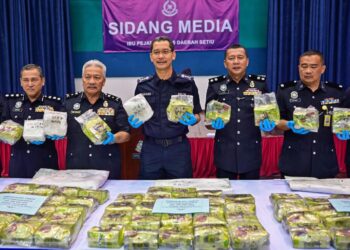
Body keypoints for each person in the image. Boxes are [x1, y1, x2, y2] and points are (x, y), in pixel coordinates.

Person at [128, 36, 201, 179]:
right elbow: (138, 114)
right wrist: (134, 120)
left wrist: (193, 119)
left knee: (181, 193)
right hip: (150, 149)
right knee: (148, 193)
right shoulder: (142, 85)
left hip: (178, 149)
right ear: (151, 57)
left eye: (165, 51)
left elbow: (198, 114)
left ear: (173, 55)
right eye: (156, 52)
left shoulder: (187, 83)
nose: (161, 56)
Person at [276, 50, 344, 178]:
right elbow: (276, 122)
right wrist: (290, 125)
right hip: (293, 163)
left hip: (325, 163)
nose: (308, 71)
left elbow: (344, 121)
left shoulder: (336, 93)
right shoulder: (286, 91)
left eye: (313, 67)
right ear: (298, 68)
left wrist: (344, 130)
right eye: (304, 66)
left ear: (322, 69)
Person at [205, 44, 269, 180]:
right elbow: (208, 122)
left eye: (240, 57)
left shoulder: (260, 85)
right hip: (225, 154)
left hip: (251, 152)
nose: (236, 61)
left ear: (247, 61)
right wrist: (212, 124)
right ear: (225, 63)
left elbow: (269, 115)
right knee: (225, 197)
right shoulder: (215, 86)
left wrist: (269, 123)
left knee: (253, 194)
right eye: (231, 58)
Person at [65, 59, 130, 179]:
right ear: (82, 79)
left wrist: (113, 138)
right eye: (87, 77)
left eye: (97, 77)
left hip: (107, 165)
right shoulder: (68, 103)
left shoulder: (114, 103)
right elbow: (60, 129)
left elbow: (126, 134)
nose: (91, 81)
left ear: (103, 81)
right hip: (77, 166)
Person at [1, 64, 63, 177]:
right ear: (21, 82)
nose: (30, 84)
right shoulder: (10, 103)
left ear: (42, 81)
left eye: (34, 80)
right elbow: (2, 128)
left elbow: (65, 129)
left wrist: (61, 134)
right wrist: (6, 134)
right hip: (19, 165)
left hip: (46, 164)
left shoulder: (54, 104)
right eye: (26, 80)